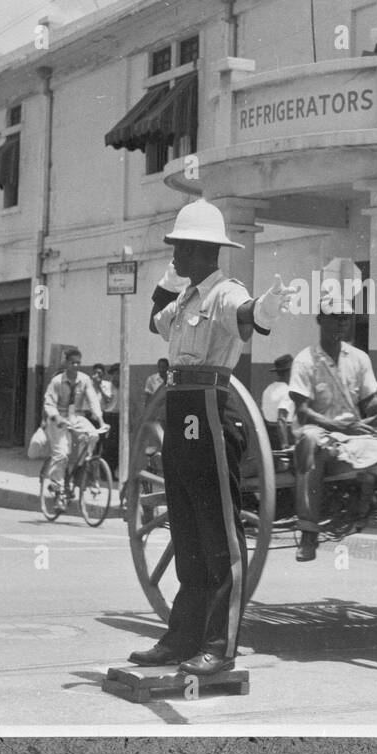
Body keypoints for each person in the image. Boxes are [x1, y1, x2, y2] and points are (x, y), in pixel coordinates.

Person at [129, 198, 296, 676]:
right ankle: (182, 637)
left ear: (201, 250)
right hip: (180, 408)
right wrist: (168, 276)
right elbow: (153, 319)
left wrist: (265, 307)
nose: (175, 254)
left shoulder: (225, 292)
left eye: (180, 246)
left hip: (210, 412)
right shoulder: (185, 298)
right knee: (186, 532)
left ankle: (220, 646)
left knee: (218, 534)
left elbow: (248, 315)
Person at [288, 303, 377, 562]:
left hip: (352, 433)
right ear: (320, 320)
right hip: (318, 431)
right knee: (309, 441)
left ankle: (369, 504)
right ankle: (308, 532)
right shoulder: (305, 360)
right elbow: (303, 412)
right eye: (336, 318)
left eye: (347, 318)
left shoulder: (360, 358)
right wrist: (340, 427)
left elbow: (368, 403)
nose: (342, 323)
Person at [42, 348, 105, 505]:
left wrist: (101, 420)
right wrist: (57, 418)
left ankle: (84, 465)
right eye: (73, 362)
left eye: (78, 363)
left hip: (76, 416)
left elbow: (93, 401)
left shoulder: (84, 379)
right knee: (62, 453)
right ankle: (58, 488)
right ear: (66, 362)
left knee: (93, 435)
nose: (76, 365)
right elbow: (49, 404)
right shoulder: (57, 381)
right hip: (59, 418)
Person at [260, 353, 295, 448]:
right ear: (289, 372)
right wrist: (285, 445)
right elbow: (281, 419)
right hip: (284, 437)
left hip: (269, 438)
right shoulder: (287, 391)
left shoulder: (268, 389)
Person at [95, 364, 121, 479]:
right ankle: (104, 473)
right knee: (107, 446)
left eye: (120, 373)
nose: (118, 376)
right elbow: (106, 401)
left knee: (117, 446)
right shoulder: (106, 386)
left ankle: (112, 472)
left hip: (118, 417)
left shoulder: (123, 387)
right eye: (116, 373)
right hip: (108, 417)